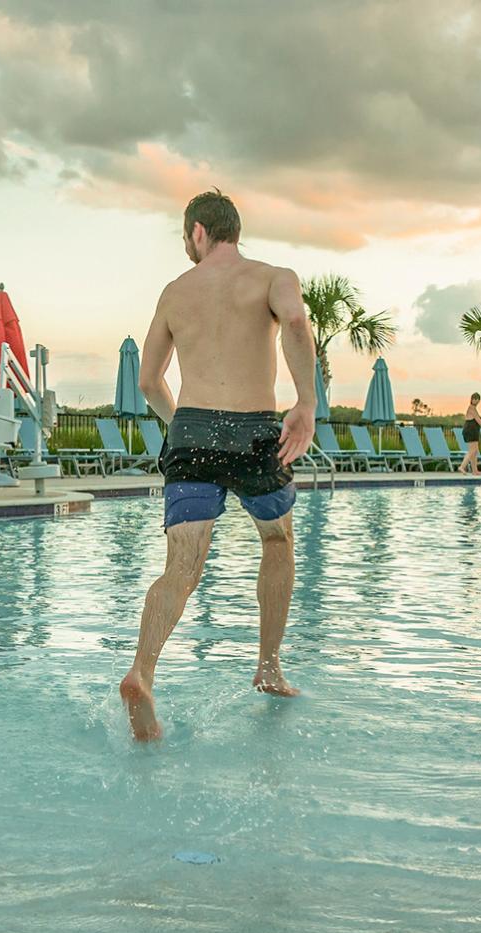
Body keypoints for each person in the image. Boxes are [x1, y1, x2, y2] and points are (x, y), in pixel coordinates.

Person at [118, 190, 317, 741]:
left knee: (181, 568)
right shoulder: (275, 276)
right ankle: (269, 667)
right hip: (256, 429)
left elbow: (147, 381)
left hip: (193, 429)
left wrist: (183, 422)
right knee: (277, 542)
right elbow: (296, 326)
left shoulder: (174, 292)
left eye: (186, 237)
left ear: (199, 232)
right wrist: (306, 402)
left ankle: (142, 671)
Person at [458, 392, 481, 475]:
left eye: (478, 400)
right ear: (472, 400)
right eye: (475, 399)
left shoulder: (473, 408)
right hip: (470, 431)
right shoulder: (471, 408)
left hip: (473, 431)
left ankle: (475, 471)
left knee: (475, 452)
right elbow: (478, 420)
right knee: (472, 450)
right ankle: (462, 467)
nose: (477, 401)